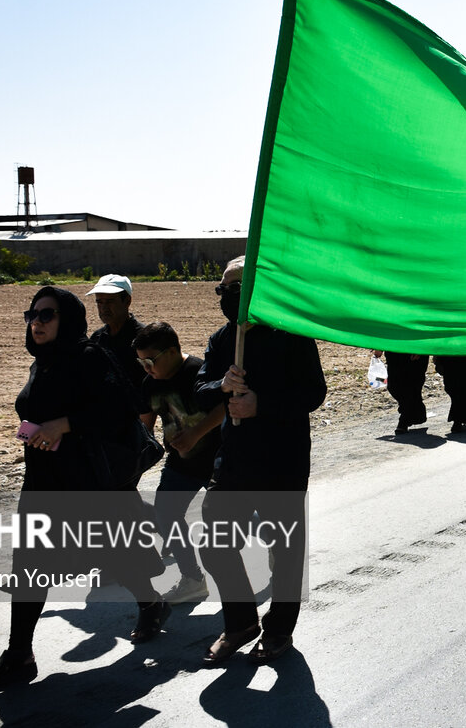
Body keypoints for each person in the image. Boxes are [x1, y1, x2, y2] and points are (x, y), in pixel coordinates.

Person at [0, 287, 167, 691]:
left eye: (47, 314)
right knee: (28, 566)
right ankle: (20, 654)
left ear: (69, 319)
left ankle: (151, 604)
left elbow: (120, 409)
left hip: (88, 484)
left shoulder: (88, 357)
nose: (36, 322)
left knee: (118, 555)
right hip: (44, 481)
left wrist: (63, 425)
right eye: (32, 314)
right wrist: (34, 430)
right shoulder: (42, 363)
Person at [194, 257, 327, 665]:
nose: (228, 296)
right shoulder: (222, 340)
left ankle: (279, 630)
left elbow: (313, 394)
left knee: (283, 550)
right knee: (214, 542)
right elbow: (200, 388)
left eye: (237, 287)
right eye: (223, 289)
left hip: (282, 460)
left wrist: (261, 405)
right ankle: (240, 622)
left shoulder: (291, 335)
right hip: (234, 458)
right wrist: (222, 384)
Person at [133, 321, 224, 603]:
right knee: (166, 513)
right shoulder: (150, 384)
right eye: (141, 362)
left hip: (217, 461)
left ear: (172, 351)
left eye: (150, 360)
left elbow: (224, 407)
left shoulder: (200, 372)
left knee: (236, 518)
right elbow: (145, 424)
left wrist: (196, 433)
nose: (146, 368)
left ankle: (271, 534)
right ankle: (192, 579)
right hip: (180, 463)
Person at [87, 274, 145, 389]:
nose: (104, 308)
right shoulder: (97, 338)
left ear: (127, 301)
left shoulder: (144, 338)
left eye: (109, 302)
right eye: (99, 302)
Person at [381, 351, 429, 435]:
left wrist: (420, 350)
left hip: (414, 350)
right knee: (393, 386)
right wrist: (379, 347)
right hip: (394, 351)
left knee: (412, 387)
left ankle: (403, 422)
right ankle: (417, 414)